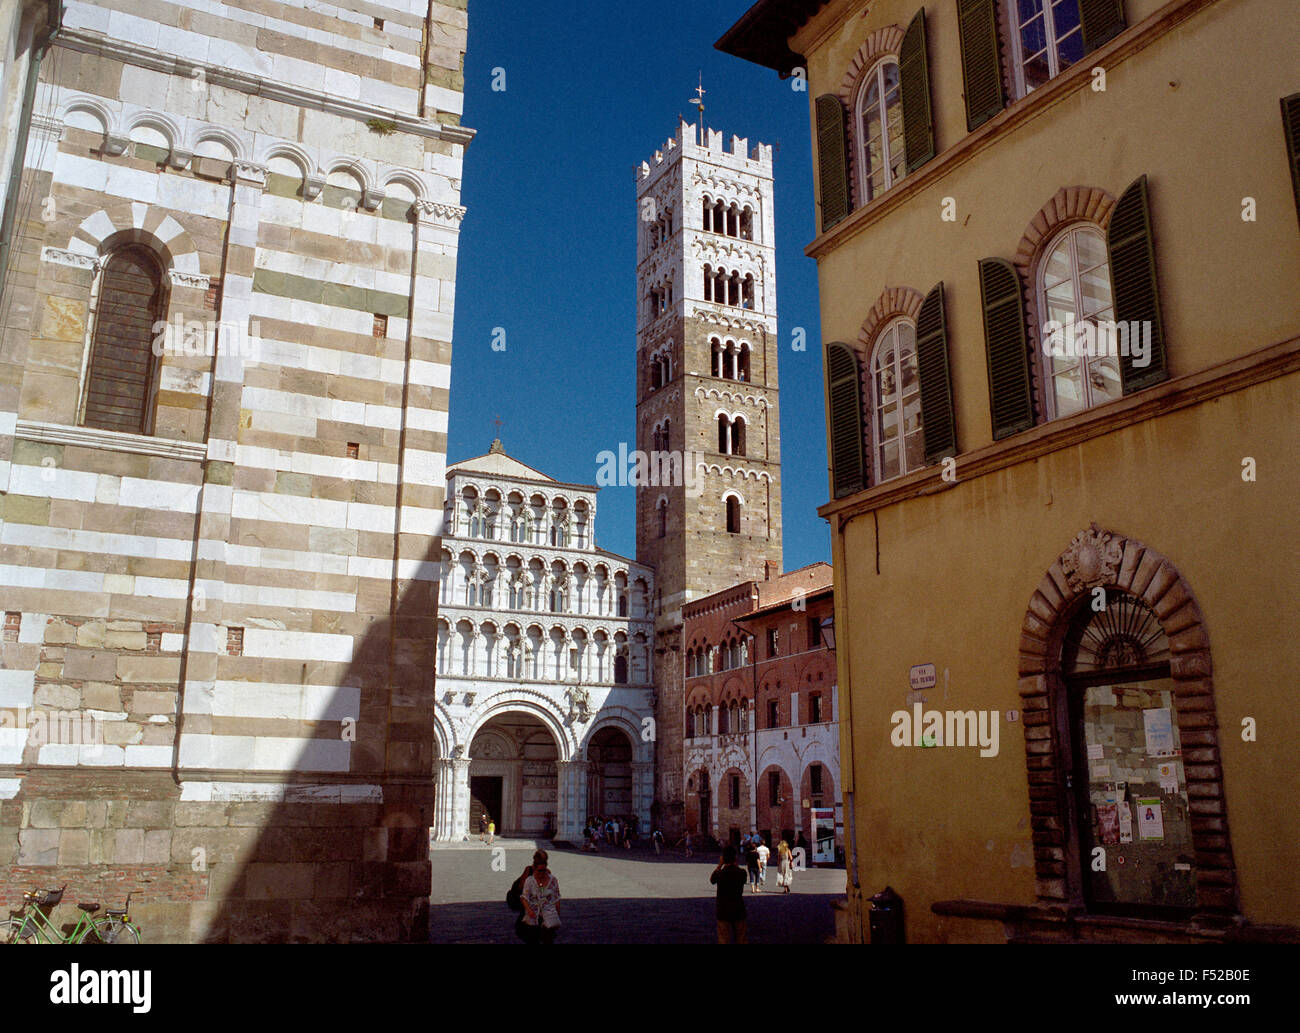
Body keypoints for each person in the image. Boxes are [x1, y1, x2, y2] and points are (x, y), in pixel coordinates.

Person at [521, 848, 561, 944]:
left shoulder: (552, 880)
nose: (542, 873)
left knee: (548, 940)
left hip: (548, 915)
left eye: (544, 870)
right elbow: (524, 898)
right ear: (535, 868)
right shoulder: (530, 880)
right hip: (533, 916)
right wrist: (530, 911)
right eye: (539, 871)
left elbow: (557, 898)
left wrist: (557, 914)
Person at [711, 845, 748, 943]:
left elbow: (712, 880)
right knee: (741, 939)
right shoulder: (742, 873)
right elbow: (742, 877)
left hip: (723, 909)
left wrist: (720, 864)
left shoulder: (720, 873)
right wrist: (735, 863)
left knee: (724, 939)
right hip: (738, 909)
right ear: (735, 857)